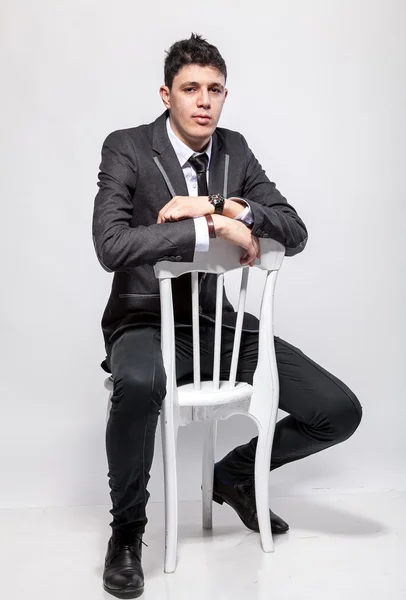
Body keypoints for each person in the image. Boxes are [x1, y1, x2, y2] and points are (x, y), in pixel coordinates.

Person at [92, 33, 362, 599]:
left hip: (218, 326)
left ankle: (234, 475)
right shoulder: (128, 147)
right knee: (138, 385)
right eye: (191, 89)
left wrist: (220, 205)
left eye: (215, 90)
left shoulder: (234, 151)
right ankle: (127, 532)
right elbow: (112, 245)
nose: (204, 102)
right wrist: (205, 229)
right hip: (144, 322)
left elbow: (295, 230)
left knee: (337, 410)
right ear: (167, 94)